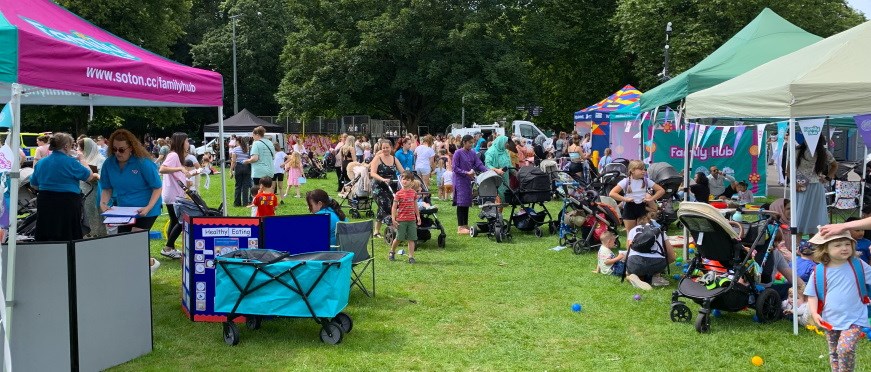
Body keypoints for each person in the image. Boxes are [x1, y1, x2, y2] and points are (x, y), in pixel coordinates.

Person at [805, 230, 871, 372]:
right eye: (838, 245)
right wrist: (814, 313)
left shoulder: (858, 265)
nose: (844, 248)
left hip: (855, 317)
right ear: (825, 249)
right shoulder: (819, 271)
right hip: (830, 319)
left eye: (848, 244)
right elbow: (812, 294)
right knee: (834, 352)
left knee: (845, 349)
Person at [30, 133, 99, 241]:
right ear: (66, 146)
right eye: (71, 145)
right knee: (68, 234)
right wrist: (82, 159)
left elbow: (33, 184)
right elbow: (90, 176)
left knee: (46, 231)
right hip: (67, 202)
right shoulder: (71, 162)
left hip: (46, 201)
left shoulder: (41, 163)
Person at [100, 129, 162, 235]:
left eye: (121, 150)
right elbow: (107, 188)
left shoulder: (143, 162)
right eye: (114, 149)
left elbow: (157, 187)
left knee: (135, 240)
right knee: (123, 241)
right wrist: (103, 203)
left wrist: (148, 207)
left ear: (131, 148)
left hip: (146, 209)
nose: (117, 153)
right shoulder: (108, 163)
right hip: (123, 210)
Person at [788, 133, 837, 236]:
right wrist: (794, 183)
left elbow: (834, 165)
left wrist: (827, 178)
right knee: (799, 215)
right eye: (806, 138)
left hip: (816, 186)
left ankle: (814, 245)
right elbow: (788, 169)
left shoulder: (823, 152)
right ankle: (797, 245)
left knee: (815, 216)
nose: (808, 140)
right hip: (800, 186)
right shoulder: (797, 150)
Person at [624, 204, 676, 290]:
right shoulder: (660, 231)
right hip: (656, 265)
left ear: (637, 221)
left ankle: (632, 276)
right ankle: (656, 276)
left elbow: (628, 251)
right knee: (660, 259)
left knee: (629, 267)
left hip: (635, 264)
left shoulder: (633, 231)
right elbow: (672, 257)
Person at [158, 132, 192, 259]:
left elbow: (176, 173)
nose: (188, 144)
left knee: (174, 220)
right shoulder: (173, 155)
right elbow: (162, 169)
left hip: (174, 193)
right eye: (187, 141)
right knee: (180, 221)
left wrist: (186, 176)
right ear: (181, 142)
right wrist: (180, 169)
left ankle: (169, 248)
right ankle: (167, 247)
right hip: (173, 195)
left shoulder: (177, 156)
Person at [609, 160, 665, 231]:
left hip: (641, 208)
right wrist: (625, 199)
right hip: (629, 208)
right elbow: (612, 193)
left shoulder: (646, 181)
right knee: (630, 234)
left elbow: (661, 190)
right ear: (632, 171)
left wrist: (651, 199)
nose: (644, 171)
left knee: (642, 233)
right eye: (641, 169)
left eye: (644, 169)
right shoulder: (625, 181)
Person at [453, 135, 490, 234]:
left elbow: (479, 164)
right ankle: (460, 227)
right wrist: (466, 173)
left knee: (466, 203)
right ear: (464, 142)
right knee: (461, 203)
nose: (471, 144)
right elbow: (455, 168)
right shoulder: (458, 153)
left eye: (472, 142)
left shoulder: (473, 152)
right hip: (460, 180)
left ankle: (465, 225)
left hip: (468, 181)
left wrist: (488, 171)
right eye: (469, 142)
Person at [370, 139, 405, 236]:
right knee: (385, 206)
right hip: (379, 187)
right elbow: (372, 173)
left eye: (387, 147)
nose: (385, 149)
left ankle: (376, 231)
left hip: (392, 186)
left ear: (391, 148)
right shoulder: (377, 158)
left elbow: (402, 171)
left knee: (384, 207)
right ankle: (393, 226)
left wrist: (409, 177)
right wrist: (382, 179)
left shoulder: (394, 159)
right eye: (383, 148)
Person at [389, 171, 421, 264]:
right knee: (399, 238)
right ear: (401, 180)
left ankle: (411, 257)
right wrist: (393, 218)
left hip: (411, 220)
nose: (405, 181)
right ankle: (392, 251)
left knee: (411, 239)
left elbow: (415, 205)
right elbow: (394, 207)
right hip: (401, 220)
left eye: (408, 180)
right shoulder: (398, 194)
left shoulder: (413, 193)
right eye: (404, 179)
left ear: (412, 182)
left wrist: (418, 216)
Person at [78, 137, 107, 238]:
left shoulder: (100, 159)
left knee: (95, 212)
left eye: (81, 148)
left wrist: (93, 175)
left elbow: (103, 176)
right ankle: (87, 233)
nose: (79, 150)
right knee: (85, 212)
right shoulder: (81, 160)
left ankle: (98, 233)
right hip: (83, 189)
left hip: (95, 190)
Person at [484, 136, 512, 201]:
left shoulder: (505, 151)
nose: (507, 144)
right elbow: (487, 165)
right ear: (501, 142)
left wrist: (517, 173)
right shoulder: (491, 151)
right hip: (494, 178)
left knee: (504, 198)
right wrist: (497, 170)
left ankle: (500, 210)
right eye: (506, 143)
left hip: (505, 177)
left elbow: (509, 164)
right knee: (497, 199)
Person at [230, 137, 251, 206]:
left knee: (238, 186)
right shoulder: (248, 149)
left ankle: (237, 203)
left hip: (238, 167)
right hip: (247, 167)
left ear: (238, 142)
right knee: (245, 186)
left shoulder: (235, 149)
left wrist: (231, 170)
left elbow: (233, 161)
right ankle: (245, 203)